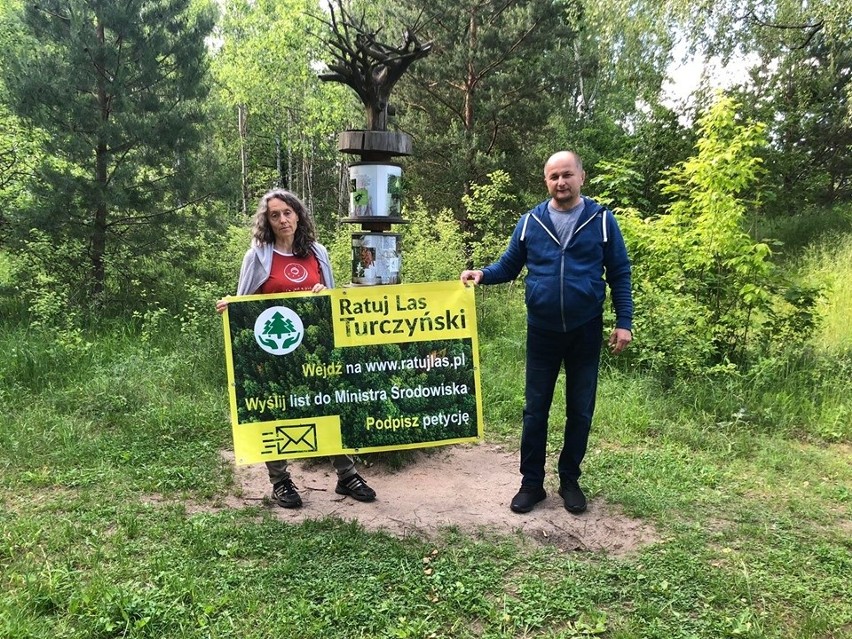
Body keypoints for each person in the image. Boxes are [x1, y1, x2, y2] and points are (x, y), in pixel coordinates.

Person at [460, 151, 633, 515]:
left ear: (581, 177)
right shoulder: (531, 222)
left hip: (585, 330)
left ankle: (569, 480)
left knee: (580, 411)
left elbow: (619, 272)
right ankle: (532, 484)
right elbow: (509, 264)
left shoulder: (602, 221)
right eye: (554, 176)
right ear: (546, 181)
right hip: (542, 331)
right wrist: (483, 274)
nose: (561, 182)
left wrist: (624, 322)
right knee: (535, 410)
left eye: (567, 175)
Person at [217, 188, 377, 509]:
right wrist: (231, 308)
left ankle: (346, 475)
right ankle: (281, 481)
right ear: (267, 221)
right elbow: (244, 301)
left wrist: (323, 294)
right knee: (273, 410)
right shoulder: (259, 256)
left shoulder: (317, 252)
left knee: (328, 406)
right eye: (274, 215)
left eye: (287, 213)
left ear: (298, 215)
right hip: (273, 350)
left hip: (316, 350)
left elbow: (332, 300)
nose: (282, 220)